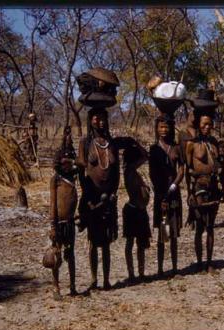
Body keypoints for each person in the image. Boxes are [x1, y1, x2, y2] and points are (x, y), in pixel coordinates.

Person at [76, 107, 146, 291]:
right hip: (92, 198)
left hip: (109, 199)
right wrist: (88, 195)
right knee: (93, 241)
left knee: (106, 242)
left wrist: (114, 192)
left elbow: (115, 172)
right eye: (96, 118)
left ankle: (106, 280)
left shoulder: (111, 143)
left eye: (102, 118)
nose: (99, 121)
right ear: (90, 120)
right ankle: (93, 280)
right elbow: (81, 172)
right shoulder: (85, 143)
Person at [185, 89, 223, 274]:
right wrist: (189, 193)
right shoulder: (191, 144)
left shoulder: (215, 143)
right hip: (198, 187)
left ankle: (209, 262)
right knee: (200, 227)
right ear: (199, 124)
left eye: (210, 124)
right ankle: (199, 263)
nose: (208, 127)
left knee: (210, 226)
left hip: (213, 187)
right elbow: (186, 169)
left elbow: (219, 166)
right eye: (205, 124)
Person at [149, 115, 184, 276]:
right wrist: (162, 192)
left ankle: (175, 267)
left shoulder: (176, 148)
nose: (163, 130)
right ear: (157, 129)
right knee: (163, 233)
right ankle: (161, 269)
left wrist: (174, 184)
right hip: (161, 195)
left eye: (166, 127)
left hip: (174, 194)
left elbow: (182, 169)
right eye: (161, 127)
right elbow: (152, 173)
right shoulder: (154, 149)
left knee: (174, 233)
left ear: (171, 129)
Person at [48, 126, 79, 299]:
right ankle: (56, 287)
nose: (67, 165)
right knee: (56, 255)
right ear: (59, 164)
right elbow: (53, 203)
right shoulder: (56, 180)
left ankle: (73, 286)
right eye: (64, 162)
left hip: (70, 222)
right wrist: (52, 224)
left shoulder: (73, 179)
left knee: (71, 254)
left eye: (70, 162)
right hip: (58, 223)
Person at [122, 145, 151, 283]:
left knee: (140, 244)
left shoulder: (132, 171)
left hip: (139, 209)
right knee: (131, 242)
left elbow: (145, 156)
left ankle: (139, 273)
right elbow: (145, 156)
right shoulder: (129, 170)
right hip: (133, 210)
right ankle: (132, 274)